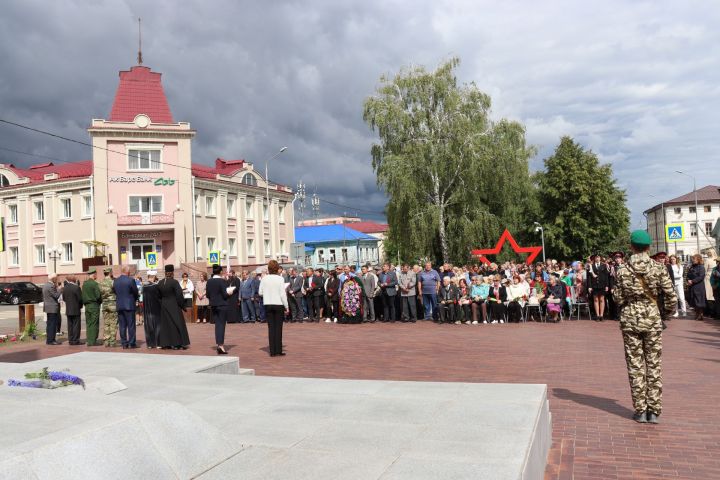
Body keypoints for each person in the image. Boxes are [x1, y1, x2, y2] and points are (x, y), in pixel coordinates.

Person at [613, 230, 676, 424]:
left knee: (635, 365)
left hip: (630, 321)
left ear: (631, 247)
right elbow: (671, 297)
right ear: (649, 247)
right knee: (654, 365)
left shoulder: (623, 269)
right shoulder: (658, 268)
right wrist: (663, 314)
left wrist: (630, 302)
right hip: (652, 320)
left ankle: (640, 410)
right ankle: (654, 411)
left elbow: (617, 297)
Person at [259, 260, 289, 357]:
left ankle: (272, 351)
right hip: (278, 304)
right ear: (277, 269)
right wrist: (286, 306)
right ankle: (278, 350)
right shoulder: (280, 279)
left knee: (271, 328)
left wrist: (268, 293)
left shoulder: (264, 279)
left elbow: (260, 292)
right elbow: (282, 294)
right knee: (278, 328)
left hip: (268, 304)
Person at [157, 265, 190, 350]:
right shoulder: (174, 282)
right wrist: (183, 306)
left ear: (165, 272)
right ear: (172, 273)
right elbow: (179, 296)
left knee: (166, 325)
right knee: (176, 324)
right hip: (174, 305)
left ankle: (166, 343)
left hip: (164, 306)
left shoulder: (160, 283)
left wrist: (162, 303)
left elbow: (158, 296)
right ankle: (176, 344)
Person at [206, 264, 234, 354]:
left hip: (213, 305)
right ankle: (220, 346)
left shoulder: (209, 281)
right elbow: (225, 294)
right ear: (221, 271)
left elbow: (207, 295)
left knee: (217, 325)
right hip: (222, 305)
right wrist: (230, 293)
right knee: (221, 325)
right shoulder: (221, 281)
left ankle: (219, 344)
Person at [114, 265, 140, 349]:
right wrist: (135, 299)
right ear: (128, 272)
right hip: (129, 305)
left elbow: (115, 292)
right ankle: (132, 343)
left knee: (122, 326)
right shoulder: (130, 280)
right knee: (131, 325)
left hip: (120, 306)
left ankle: (124, 343)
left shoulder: (116, 281)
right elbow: (135, 292)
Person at [81, 267, 102, 346]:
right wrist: (100, 302)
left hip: (87, 306)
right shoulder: (95, 284)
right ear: (94, 275)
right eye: (96, 274)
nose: (96, 275)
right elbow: (98, 296)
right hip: (94, 305)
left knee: (88, 323)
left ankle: (89, 340)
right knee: (94, 323)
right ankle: (93, 341)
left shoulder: (84, 284)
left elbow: (82, 296)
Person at [100, 267, 118, 347]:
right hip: (112, 304)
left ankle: (106, 341)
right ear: (110, 273)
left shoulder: (100, 283)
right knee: (113, 323)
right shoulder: (113, 282)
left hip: (104, 304)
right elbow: (116, 292)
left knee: (106, 323)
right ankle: (112, 341)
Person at [42, 274, 63, 345]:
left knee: (49, 324)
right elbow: (56, 296)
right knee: (52, 325)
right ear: (53, 279)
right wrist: (60, 289)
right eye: (56, 278)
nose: (57, 280)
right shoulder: (51, 286)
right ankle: (51, 340)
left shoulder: (45, 285)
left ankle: (49, 339)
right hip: (52, 307)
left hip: (48, 307)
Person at [142, 271, 161, 349]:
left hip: (147, 309)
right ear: (154, 276)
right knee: (157, 325)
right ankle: (158, 343)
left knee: (148, 325)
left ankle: (150, 344)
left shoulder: (144, 286)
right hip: (156, 308)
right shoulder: (156, 286)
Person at [588, 254, 610, 320]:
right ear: (594, 259)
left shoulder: (604, 265)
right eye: (596, 257)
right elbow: (589, 277)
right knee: (596, 300)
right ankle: (597, 315)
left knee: (602, 300)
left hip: (602, 285)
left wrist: (607, 285)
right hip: (594, 285)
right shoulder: (591, 266)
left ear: (600, 258)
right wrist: (589, 286)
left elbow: (606, 276)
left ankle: (601, 315)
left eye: (598, 257)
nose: (597, 259)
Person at [63, 275, 83, 345]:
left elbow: (64, 299)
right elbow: (80, 299)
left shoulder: (65, 288)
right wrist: (80, 306)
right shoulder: (76, 288)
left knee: (70, 325)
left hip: (68, 309)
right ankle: (75, 340)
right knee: (76, 326)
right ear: (74, 280)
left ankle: (70, 339)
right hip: (76, 309)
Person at [687, 254, 707, 321]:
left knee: (699, 301)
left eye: (694, 259)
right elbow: (688, 274)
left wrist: (692, 281)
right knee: (694, 301)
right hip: (692, 286)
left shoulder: (701, 267)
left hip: (699, 286)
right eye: (692, 259)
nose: (693, 260)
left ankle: (700, 315)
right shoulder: (692, 266)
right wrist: (688, 280)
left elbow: (701, 277)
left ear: (698, 259)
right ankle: (697, 314)